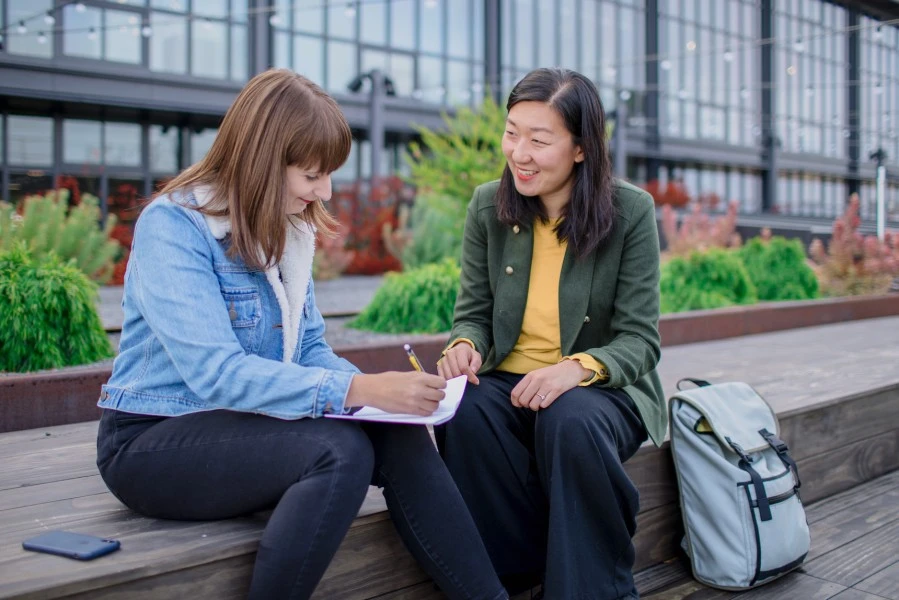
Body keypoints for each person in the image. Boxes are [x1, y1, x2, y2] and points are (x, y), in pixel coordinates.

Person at [95, 69, 507, 600]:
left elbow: (309, 346)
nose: (325, 191)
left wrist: (389, 405)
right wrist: (360, 391)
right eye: (312, 175)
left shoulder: (291, 228)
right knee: (338, 451)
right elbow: (215, 374)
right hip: (152, 439)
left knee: (394, 434)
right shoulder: (174, 228)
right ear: (263, 161)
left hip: (248, 426)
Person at [436, 68, 666, 599]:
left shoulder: (631, 212)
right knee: (464, 413)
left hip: (599, 389)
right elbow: (472, 313)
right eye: (512, 132)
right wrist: (464, 346)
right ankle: (514, 574)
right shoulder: (487, 206)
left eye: (539, 141)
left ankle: (593, 587)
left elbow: (640, 340)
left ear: (582, 149)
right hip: (509, 381)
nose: (519, 152)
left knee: (570, 418)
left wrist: (575, 369)